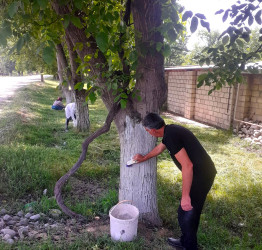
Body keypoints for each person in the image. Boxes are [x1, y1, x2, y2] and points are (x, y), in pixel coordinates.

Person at [133, 113, 217, 250]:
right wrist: (144, 158)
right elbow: (160, 148)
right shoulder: (169, 131)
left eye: (147, 131)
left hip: (201, 175)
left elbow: (187, 166)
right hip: (203, 172)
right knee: (188, 211)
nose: (147, 133)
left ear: (153, 131)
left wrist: (185, 196)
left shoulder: (170, 136)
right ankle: (185, 241)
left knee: (186, 211)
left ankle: (189, 246)